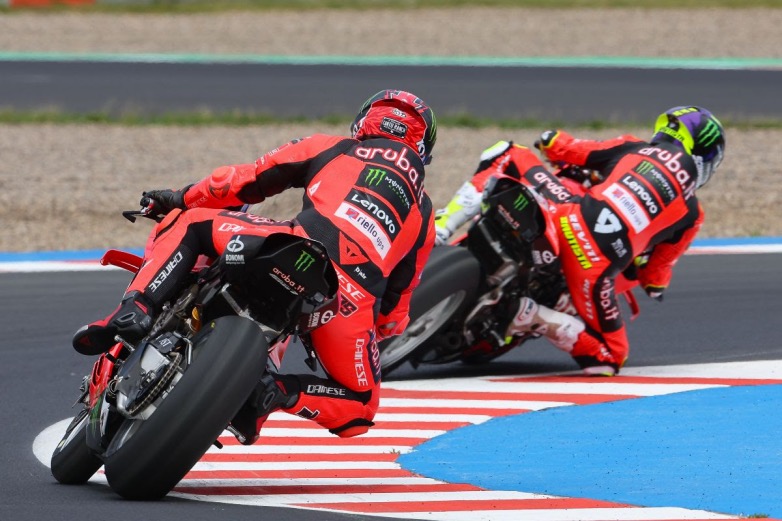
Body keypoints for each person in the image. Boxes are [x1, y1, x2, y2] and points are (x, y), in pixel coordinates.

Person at [71, 89, 437, 443]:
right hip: (345, 302)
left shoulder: (333, 147)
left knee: (189, 221)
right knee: (361, 406)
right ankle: (274, 392)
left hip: (292, 244)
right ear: (423, 148)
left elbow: (239, 182)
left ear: (363, 122)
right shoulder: (424, 214)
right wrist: (366, 334)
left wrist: (178, 198)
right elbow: (394, 312)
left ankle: (136, 308)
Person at [433, 106, 725, 376]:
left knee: (507, 152)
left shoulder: (634, 147)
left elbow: (566, 147)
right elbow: (655, 272)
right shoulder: (692, 214)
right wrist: (655, 287)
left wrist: (549, 140)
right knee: (611, 357)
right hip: (593, 268)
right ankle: (532, 316)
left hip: (566, 216)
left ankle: (440, 227)